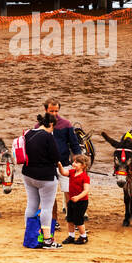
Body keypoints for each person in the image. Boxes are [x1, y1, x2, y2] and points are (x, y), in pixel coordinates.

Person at [22, 112, 68, 249]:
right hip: (46, 178)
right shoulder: (48, 137)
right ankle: (47, 240)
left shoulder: (28, 133)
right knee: (46, 208)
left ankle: (29, 235)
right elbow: (56, 157)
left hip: (27, 174)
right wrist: (61, 168)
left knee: (32, 204)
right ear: (51, 124)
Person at [45, 99, 83, 234]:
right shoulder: (39, 125)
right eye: (51, 111)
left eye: (56, 111)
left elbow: (74, 145)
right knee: (50, 195)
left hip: (65, 165)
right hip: (48, 166)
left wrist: (79, 161)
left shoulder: (66, 124)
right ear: (46, 110)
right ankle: (53, 221)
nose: (54, 114)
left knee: (70, 194)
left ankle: (73, 221)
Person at [62, 153, 91, 245]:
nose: (74, 164)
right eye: (74, 162)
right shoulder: (71, 172)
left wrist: (78, 197)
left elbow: (86, 190)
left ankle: (83, 236)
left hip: (81, 201)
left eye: (77, 162)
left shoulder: (85, 177)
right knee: (70, 219)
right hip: (71, 200)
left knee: (78, 220)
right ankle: (71, 236)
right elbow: (63, 172)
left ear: (83, 166)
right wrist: (59, 165)